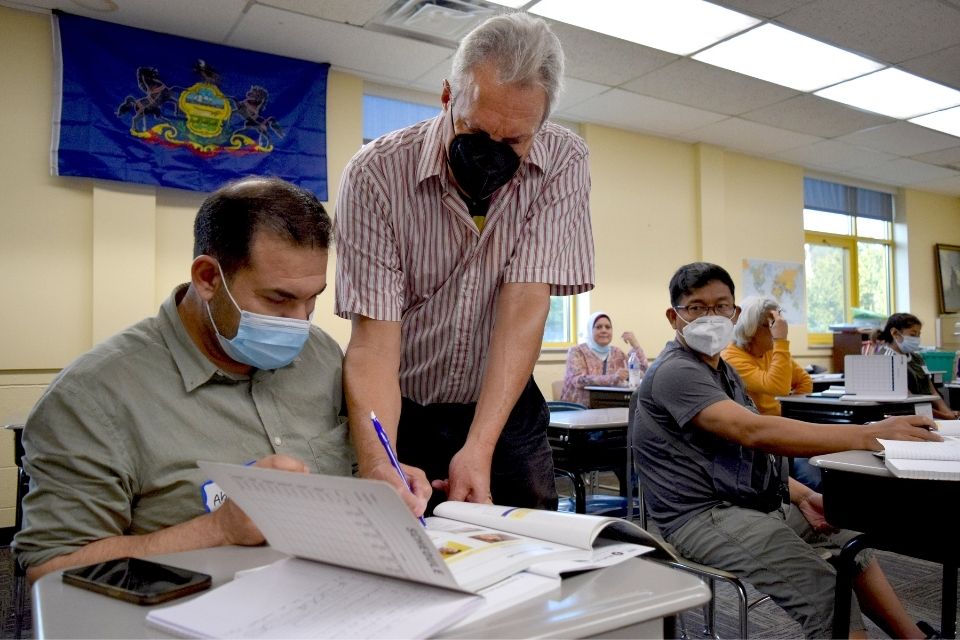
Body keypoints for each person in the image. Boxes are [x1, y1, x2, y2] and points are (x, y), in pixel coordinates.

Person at [14, 176, 351, 582]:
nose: (301, 323)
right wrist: (218, 529)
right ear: (208, 278)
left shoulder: (322, 356)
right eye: (278, 300)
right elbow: (50, 568)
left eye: (312, 297)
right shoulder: (93, 397)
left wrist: (386, 482)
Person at [335, 12, 593, 516]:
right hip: (403, 402)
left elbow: (524, 304)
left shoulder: (564, 160)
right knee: (402, 530)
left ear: (540, 125)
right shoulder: (376, 174)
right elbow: (374, 341)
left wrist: (480, 447)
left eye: (514, 141)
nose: (490, 154)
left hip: (502, 401)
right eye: (475, 130)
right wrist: (378, 459)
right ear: (448, 95)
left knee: (529, 536)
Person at [633, 262, 940, 639]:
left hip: (744, 501)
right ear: (674, 316)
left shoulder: (723, 370)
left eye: (720, 306)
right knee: (827, 592)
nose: (710, 317)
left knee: (850, 542)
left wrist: (805, 495)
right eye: (697, 307)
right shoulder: (675, 371)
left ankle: (916, 638)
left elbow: (748, 455)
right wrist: (867, 434)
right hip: (699, 516)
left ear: (735, 312)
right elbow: (752, 431)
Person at [722, 296, 821, 490]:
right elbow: (779, 386)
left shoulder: (770, 352)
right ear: (752, 329)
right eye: (772, 325)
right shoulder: (731, 358)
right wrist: (781, 341)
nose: (778, 330)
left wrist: (787, 406)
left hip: (783, 432)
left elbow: (804, 381)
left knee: (822, 472)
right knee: (812, 479)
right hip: (759, 441)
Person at [873, 313, 960, 420]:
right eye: (913, 335)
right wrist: (944, 416)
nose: (917, 339)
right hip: (905, 416)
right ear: (895, 333)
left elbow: (931, 390)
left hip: (928, 414)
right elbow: (909, 399)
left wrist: (949, 413)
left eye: (918, 335)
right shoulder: (885, 359)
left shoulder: (917, 358)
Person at [560, 311, 648, 406]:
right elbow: (578, 380)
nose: (604, 330)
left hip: (611, 406)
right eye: (598, 327)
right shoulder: (577, 351)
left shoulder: (617, 352)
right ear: (590, 330)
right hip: (580, 408)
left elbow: (644, 373)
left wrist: (635, 345)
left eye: (608, 327)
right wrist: (613, 378)